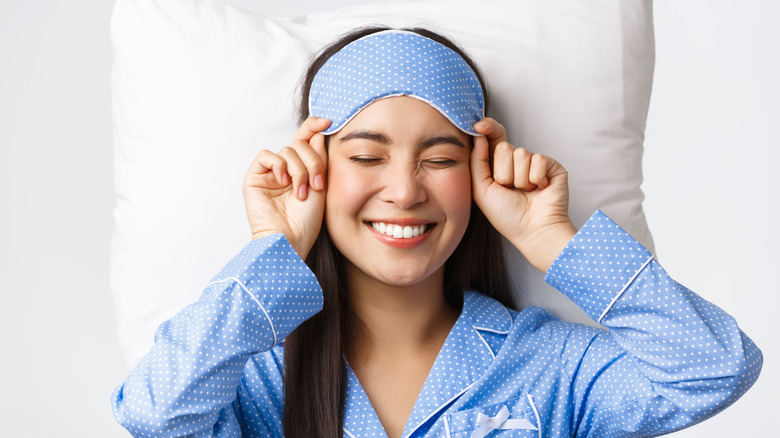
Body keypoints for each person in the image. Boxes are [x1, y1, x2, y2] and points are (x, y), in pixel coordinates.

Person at [111, 27, 762, 438]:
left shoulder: (552, 369)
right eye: (366, 157)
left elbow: (712, 370)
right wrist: (273, 250)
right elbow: (154, 415)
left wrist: (555, 240)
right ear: (318, 172)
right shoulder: (252, 378)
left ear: (478, 176)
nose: (404, 189)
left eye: (441, 158)